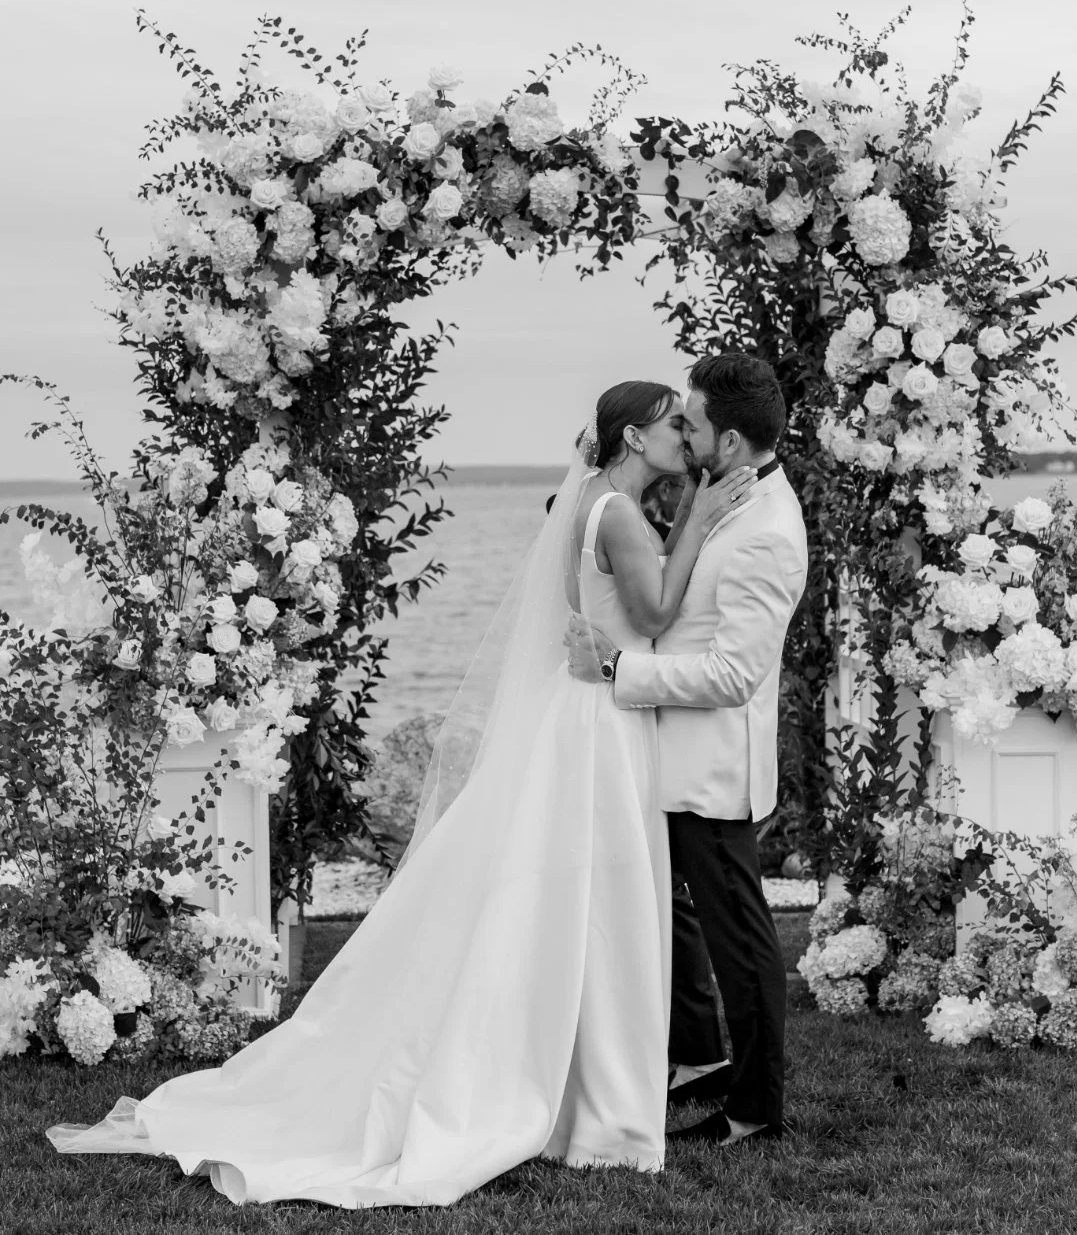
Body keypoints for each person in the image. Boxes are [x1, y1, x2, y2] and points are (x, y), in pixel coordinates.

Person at [47, 380, 753, 1208]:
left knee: (578, 901)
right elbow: (661, 617)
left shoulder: (587, 501)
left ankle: (580, 1087)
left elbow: (599, 612)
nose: (686, 439)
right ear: (633, 437)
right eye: (674, 424)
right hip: (601, 721)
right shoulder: (625, 516)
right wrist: (703, 522)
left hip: (585, 712)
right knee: (601, 902)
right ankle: (592, 1105)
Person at [568, 352, 808, 1146]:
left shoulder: (766, 533)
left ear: (731, 441)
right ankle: (699, 1059)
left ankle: (753, 1111)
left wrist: (617, 668)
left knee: (740, 937)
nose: (685, 431)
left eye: (694, 422)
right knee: (674, 915)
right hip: (668, 755)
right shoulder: (728, 497)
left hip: (712, 768)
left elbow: (735, 673)